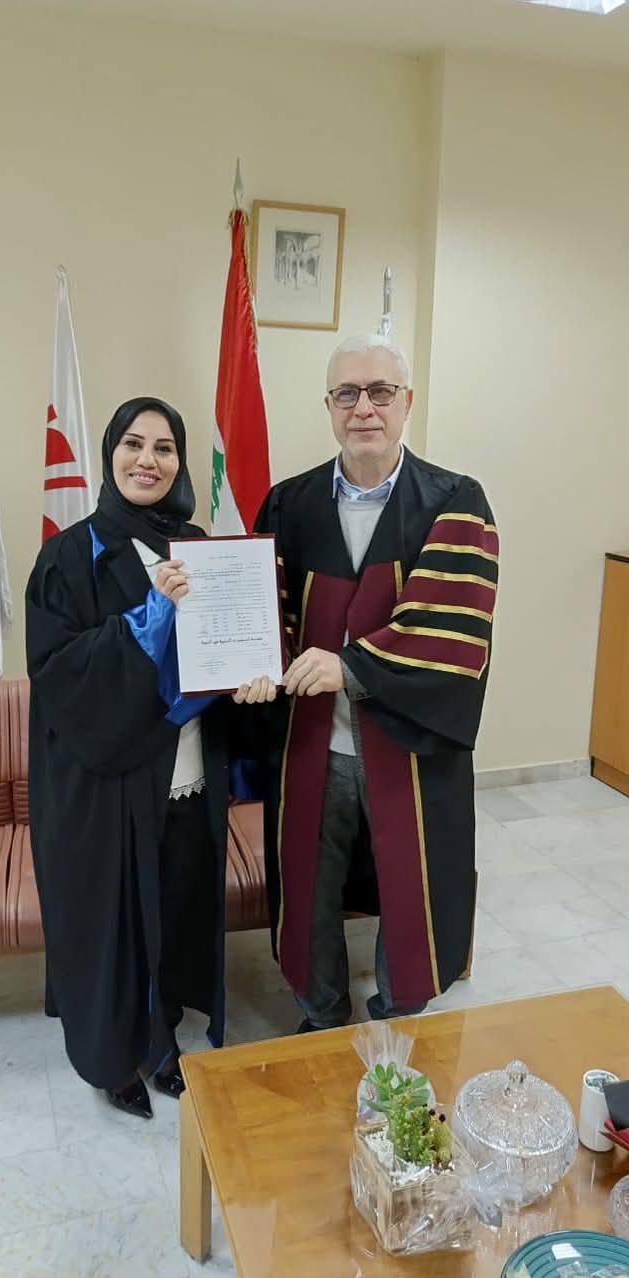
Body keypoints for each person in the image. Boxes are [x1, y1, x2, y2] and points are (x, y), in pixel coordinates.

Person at [26, 396, 273, 1118]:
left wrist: (251, 679)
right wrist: (149, 618)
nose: (148, 460)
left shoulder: (200, 547)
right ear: (111, 454)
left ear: (179, 463)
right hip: (103, 787)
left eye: (164, 448)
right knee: (112, 926)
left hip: (187, 776)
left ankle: (162, 1041)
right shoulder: (69, 556)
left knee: (173, 909)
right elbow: (60, 675)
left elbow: (223, 653)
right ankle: (113, 1060)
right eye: (133, 444)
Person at [253, 334, 498, 1031]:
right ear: (329, 406)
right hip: (314, 745)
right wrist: (242, 661)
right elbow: (265, 617)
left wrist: (351, 666)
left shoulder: (455, 502)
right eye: (347, 393)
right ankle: (320, 1014)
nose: (364, 408)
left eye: (380, 392)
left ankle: (398, 1016)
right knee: (309, 883)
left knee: (413, 884)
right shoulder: (289, 503)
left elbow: (452, 630)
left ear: (406, 402)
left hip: (410, 745)